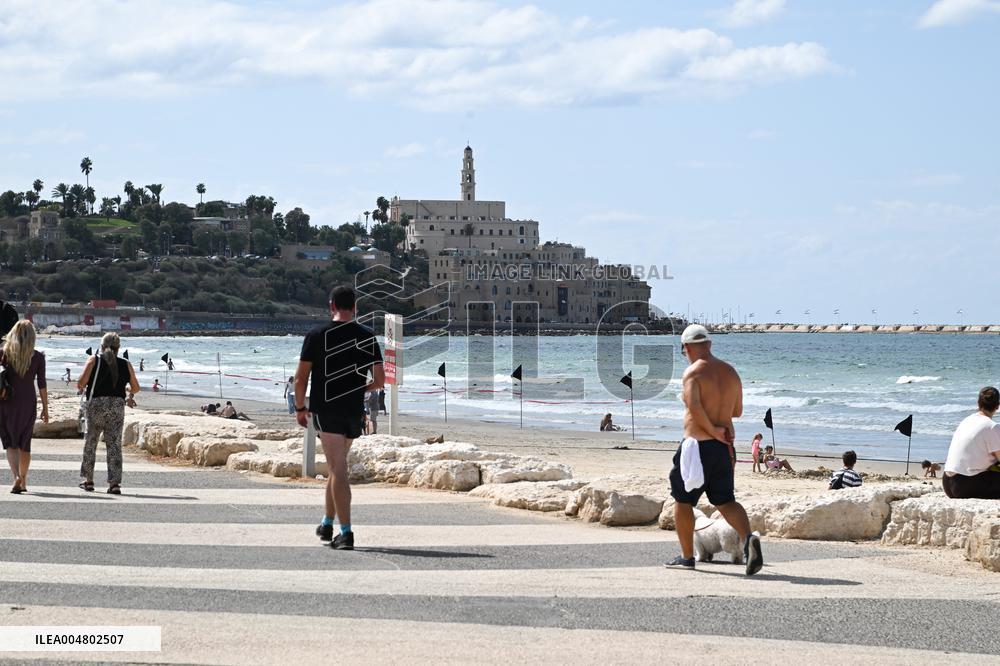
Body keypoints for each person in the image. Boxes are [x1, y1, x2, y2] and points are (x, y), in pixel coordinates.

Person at [665, 324, 762, 575]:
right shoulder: (731, 372)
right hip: (724, 449)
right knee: (725, 500)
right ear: (709, 344)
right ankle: (748, 538)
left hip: (696, 446)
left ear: (686, 347)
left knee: (682, 501)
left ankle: (687, 556)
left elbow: (695, 409)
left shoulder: (693, 372)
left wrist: (711, 429)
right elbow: (737, 411)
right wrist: (719, 428)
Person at [295, 285, 384, 551]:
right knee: (338, 466)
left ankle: (346, 533)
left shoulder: (316, 335)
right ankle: (326, 523)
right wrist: (361, 389)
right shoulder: (367, 335)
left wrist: (300, 407)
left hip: (327, 409)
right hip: (353, 411)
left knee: (338, 469)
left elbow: (301, 378)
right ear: (355, 307)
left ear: (331, 305)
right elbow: (379, 380)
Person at [77, 332, 140, 494]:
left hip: (96, 406)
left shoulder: (94, 360)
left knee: (90, 443)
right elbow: (136, 388)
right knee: (114, 446)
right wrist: (125, 388)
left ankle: (88, 480)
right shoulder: (125, 364)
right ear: (119, 348)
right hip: (116, 407)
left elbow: (81, 383)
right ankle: (114, 484)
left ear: (102, 346)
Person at [1, 320, 48, 494]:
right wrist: (45, 408)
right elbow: (42, 385)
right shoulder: (37, 357)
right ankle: (24, 480)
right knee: (25, 443)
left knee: (11, 443)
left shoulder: (4, 354)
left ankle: (16, 477)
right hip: (28, 402)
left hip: (7, 402)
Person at [942, 387, 1000, 499]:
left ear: (978, 403)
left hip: (947, 483)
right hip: (966, 484)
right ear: (997, 406)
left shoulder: (967, 420)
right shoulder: (992, 426)